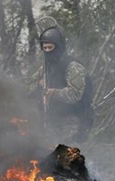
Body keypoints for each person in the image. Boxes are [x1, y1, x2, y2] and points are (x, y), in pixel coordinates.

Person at [27, 18, 93, 146]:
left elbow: (75, 94)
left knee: (66, 158)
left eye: (50, 47)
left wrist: (54, 92)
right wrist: (39, 85)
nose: (47, 51)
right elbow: (29, 87)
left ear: (58, 46)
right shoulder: (46, 68)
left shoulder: (73, 66)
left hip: (73, 121)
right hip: (52, 121)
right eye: (44, 48)